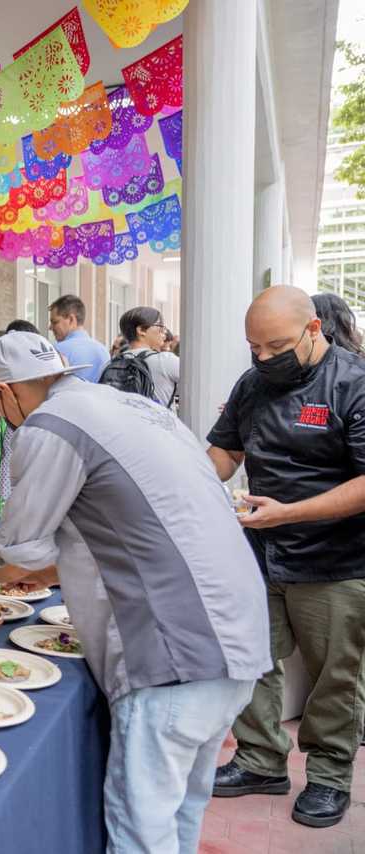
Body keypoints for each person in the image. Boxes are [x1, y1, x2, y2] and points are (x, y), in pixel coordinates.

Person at [0, 331, 270, 854]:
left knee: (140, 829)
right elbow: (132, 528)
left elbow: (20, 551)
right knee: (182, 808)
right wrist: (49, 573)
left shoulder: (49, 425)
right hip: (237, 633)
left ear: (7, 391)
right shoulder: (129, 406)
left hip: (173, 651)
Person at [208, 286, 365, 829]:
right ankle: (259, 758)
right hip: (259, 549)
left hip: (335, 559)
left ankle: (328, 776)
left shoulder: (355, 383)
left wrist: (289, 513)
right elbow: (226, 452)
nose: (263, 359)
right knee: (251, 657)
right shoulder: (253, 382)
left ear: (314, 330)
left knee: (333, 675)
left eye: (276, 347)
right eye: (254, 347)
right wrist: (194, 482)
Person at [111, 306, 180, 406]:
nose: (164, 332)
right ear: (141, 330)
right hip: (158, 421)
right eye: (160, 326)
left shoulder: (113, 362)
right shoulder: (165, 361)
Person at [48, 294, 109, 382]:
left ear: (71, 319)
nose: (50, 327)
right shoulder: (103, 350)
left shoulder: (56, 351)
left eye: (55, 322)